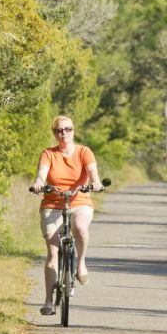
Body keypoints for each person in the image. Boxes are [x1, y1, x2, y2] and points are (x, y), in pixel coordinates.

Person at [29, 114, 104, 316]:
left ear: (73, 130)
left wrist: (95, 182)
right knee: (53, 252)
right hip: (52, 203)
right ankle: (47, 301)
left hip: (79, 201)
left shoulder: (84, 152)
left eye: (68, 129)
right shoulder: (48, 154)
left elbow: (93, 172)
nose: (64, 133)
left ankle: (81, 264)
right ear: (54, 133)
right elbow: (42, 174)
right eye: (59, 130)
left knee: (80, 227)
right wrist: (38, 183)